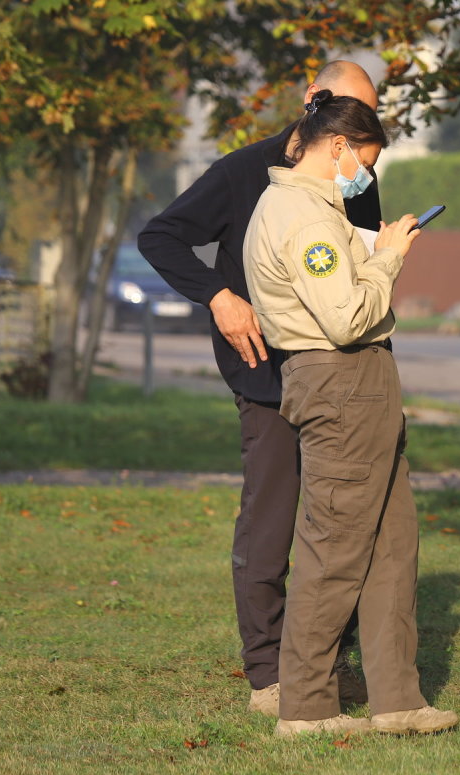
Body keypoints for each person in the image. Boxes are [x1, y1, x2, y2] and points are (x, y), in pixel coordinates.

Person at [137, 61, 378, 716]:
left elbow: (357, 275)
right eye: (348, 113)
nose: (356, 135)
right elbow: (159, 236)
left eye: (369, 120)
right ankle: (269, 674)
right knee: (272, 518)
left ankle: (326, 663)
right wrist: (218, 295)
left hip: (341, 375)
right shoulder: (244, 172)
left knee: (344, 525)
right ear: (311, 102)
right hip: (267, 372)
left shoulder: (360, 178)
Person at [244, 89, 457, 738]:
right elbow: (344, 317)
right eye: (365, 159)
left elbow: (338, 296)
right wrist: (389, 258)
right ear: (336, 146)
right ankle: (306, 705)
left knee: (393, 545)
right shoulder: (305, 217)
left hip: (354, 382)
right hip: (340, 381)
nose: (366, 175)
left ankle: (396, 698)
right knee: (333, 547)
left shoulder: (302, 207)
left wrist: (371, 258)